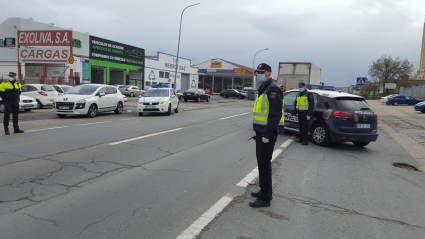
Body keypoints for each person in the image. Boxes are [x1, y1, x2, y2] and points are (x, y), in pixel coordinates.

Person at [250, 63, 284, 208]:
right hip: (261, 132)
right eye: (257, 72)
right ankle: (264, 190)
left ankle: (265, 198)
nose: (259, 74)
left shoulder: (273, 89)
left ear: (269, 73)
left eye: (261, 72)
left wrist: (267, 134)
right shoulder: (264, 88)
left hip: (266, 134)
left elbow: (275, 115)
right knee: (261, 163)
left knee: (264, 164)